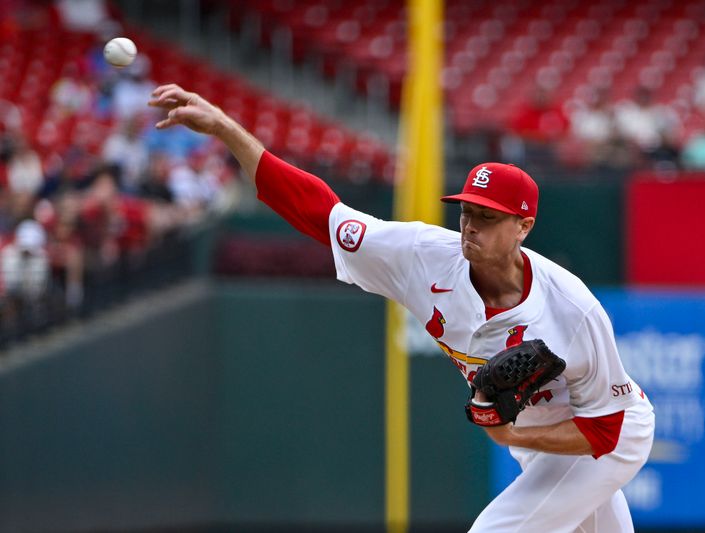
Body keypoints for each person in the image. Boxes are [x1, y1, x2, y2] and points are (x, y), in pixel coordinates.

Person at [148, 84, 655, 533]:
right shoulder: (422, 255)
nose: (470, 225)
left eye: (488, 216)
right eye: (466, 211)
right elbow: (316, 209)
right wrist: (226, 127)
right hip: (541, 438)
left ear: (523, 227)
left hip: (607, 435)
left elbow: (604, 431)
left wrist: (509, 433)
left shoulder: (572, 309)